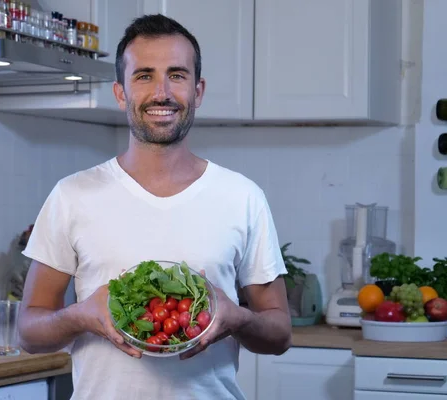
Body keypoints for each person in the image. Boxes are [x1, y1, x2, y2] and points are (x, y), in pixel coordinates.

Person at [17, 13, 292, 400]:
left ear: (198, 91)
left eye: (177, 75)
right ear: (120, 92)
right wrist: (82, 315)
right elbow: (28, 332)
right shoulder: (72, 195)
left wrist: (237, 317)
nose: (161, 92)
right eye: (144, 75)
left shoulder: (243, 197)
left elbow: (279, 334)